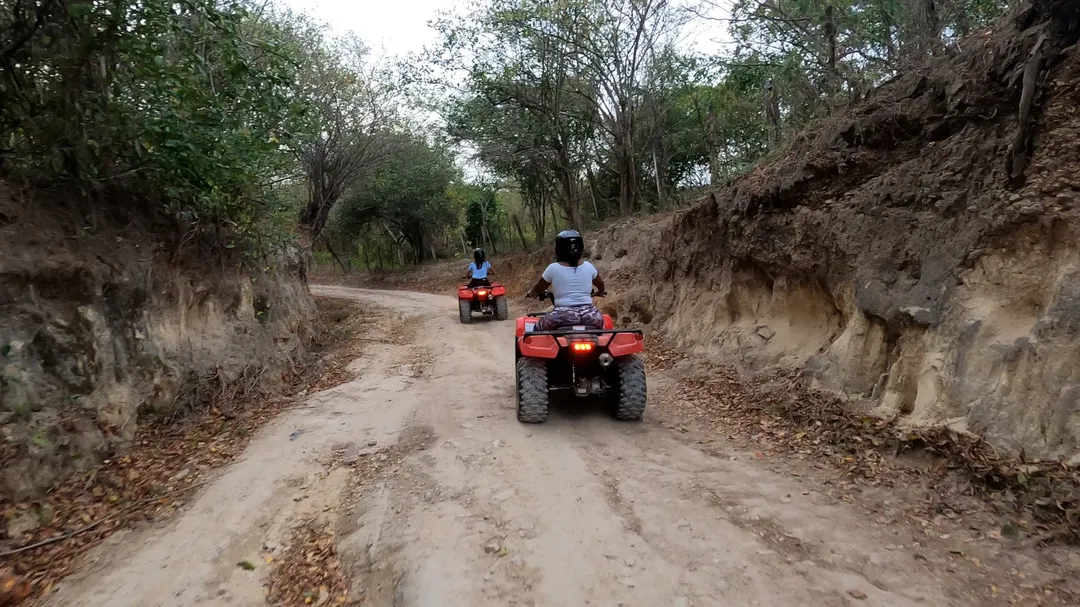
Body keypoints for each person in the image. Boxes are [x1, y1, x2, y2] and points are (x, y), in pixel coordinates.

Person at [527, 230, 606, 331]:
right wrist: (600, 292)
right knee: (603, 331)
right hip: (590, 316)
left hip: (561, 317)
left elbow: (538, 289)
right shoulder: (589, 266)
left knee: (536, 329)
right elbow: (600, 284)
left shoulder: (553, 268)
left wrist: (531, 294)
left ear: (559, 248)